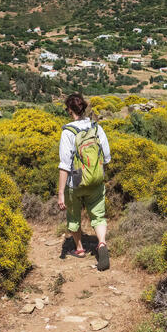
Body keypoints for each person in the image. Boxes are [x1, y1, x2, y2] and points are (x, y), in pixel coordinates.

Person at [57, 92, 111, 271]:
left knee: (73, 215)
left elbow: (64, 165)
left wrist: (60, 194)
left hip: (75, 183)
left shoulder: (68, 132)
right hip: (96, 180)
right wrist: (97, 173)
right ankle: (101, 244)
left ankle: (79, 249)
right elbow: (107, 157)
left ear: (70, 110)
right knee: (98, 215)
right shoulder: (96, 127)